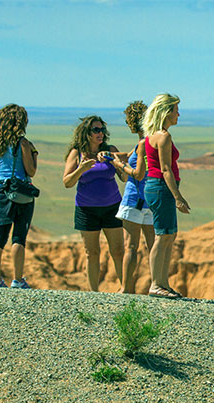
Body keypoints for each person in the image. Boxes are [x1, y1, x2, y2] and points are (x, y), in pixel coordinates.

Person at [63, 115, 125, 292]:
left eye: (102, 130)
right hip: (86, 209)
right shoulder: (77, 153)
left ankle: (125, 289)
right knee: (92, 253)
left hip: (112, 206)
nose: (100, 133)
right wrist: (81, 169)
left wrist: (115, 162)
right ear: (87, 133)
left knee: (118, 251)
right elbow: (67, 182)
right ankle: (93, 292)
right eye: (96, 130)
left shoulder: (110, 150)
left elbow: (125, 177)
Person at [141, 93, 188, 299]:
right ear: (166, 112)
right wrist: (178, 196)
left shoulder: (152, 136)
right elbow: (165, 169)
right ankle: (155, 284)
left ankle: (163, 282)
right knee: (162, 235)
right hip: (161, 187)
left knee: (169, 234)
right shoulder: (164, 137)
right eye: (175, 110)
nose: (178, 114)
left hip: (157, 187)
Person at [0, 104, 38, 289]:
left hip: (1, 190)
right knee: (18, 237)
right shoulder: (22, 143)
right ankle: (17, 280)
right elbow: (31, 171)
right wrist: (34, 153)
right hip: (21, 190)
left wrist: (0, 194)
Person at [109, 101, 155, 294]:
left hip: (134, 199)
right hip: (151, 199)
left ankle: (126, 288)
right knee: (154, 246)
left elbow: (137, 173)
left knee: (131, 247)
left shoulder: (142, 143)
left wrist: (119, 165)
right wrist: (113, 155)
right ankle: (157, 284)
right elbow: (131, 155)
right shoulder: (153, 141)